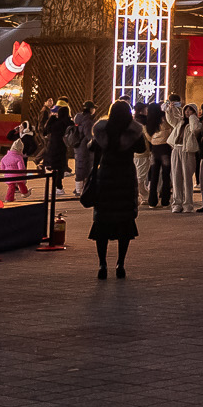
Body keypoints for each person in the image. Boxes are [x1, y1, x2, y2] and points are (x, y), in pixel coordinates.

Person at [86, 100, 147, 278]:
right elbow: (142, 148)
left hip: (106, 177)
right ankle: (120, 264)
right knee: (124, 223)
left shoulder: (102, 130)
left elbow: (91, 147)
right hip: (125, 178)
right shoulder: (133, 132)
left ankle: (102, 265)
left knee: (102, 223)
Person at [164, 91, 196, 212]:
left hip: (187, 151)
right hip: (176, 149)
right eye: (186, 110)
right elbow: (171, 120)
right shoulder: (180, 122)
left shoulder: (194, 122)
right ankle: (177, 203)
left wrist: (193, 117)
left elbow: (195, 129)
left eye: (190, 110)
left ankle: (188, 203)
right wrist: (169, 109)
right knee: (176, 176)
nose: (187, 112)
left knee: (187, 178)